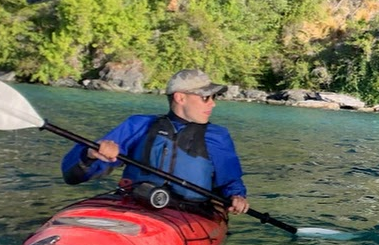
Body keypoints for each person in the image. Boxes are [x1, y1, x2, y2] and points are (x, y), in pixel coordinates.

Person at [61, 69, 249, 215]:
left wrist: (237, 196)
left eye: (214, 97)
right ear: (180, 97)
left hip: (190, 213)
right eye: (206, 97)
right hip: (134, 204)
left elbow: (230, 180)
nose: (213, 103)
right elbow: (72, 176)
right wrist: (90, 155)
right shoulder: (139, 125)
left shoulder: (217, 136)